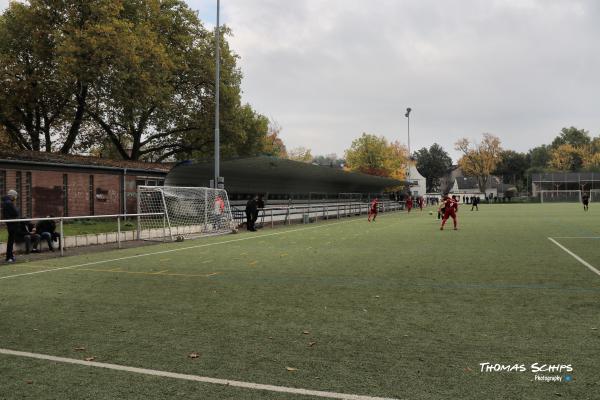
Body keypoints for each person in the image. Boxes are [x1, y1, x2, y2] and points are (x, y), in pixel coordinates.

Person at [2, 190, 20, 263]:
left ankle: (10, 256)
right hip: (12, 223)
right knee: (11, 241)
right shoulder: (9, 203)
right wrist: (17, 209)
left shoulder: (6, 202)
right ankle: (9, 256)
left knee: (11, 241)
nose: (15, 199)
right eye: (14, 197)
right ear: (12, 196)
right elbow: (16, 212)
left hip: (10, 223)